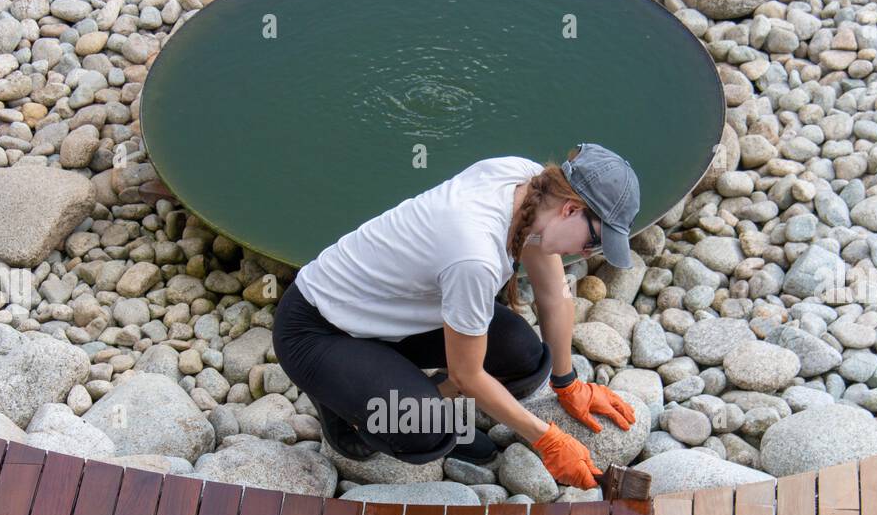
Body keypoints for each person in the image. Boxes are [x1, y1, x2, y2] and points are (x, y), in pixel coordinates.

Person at [273, 142, 641, 489]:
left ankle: (393, 385)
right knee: (424, 428)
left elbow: (553, 295)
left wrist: (568, 383)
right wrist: (547, 440)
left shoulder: (528, 182)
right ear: (571, 208)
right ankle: (347, 417)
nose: (590, 253)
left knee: (526, 360)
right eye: (595, 241)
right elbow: (467, 375)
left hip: (389, 315)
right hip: (317, 330)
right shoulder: (474, 254)